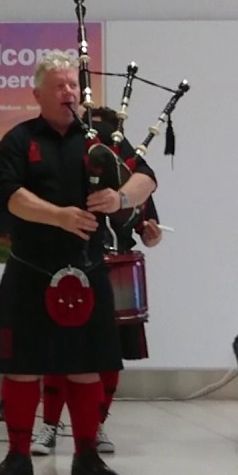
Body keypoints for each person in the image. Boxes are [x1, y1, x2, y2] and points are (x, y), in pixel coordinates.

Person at [0, 51, 156, 475]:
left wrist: (120, 199)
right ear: (37, 93)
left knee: (87, 365)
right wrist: (59, 215)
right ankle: (18, 455)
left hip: (87, 268)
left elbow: (146, 178)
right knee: (21, 365)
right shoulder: (19, 140)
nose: (68, 93)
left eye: (72, 85)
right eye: (58, 86)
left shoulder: (101, 139)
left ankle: (86, 457)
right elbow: (9, 195)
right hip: (31, 268)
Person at [33, 106, 165, 455]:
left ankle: (97, 425)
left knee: (109, 354)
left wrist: (150, 234)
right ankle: (48, 426)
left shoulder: (127, 178)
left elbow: (147, 228)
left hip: (115, 269)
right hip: (68, 269)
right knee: (60, 351)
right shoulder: (63, 172)